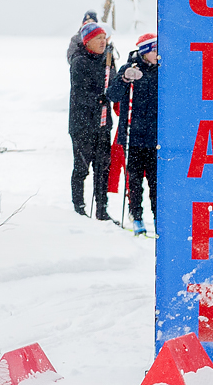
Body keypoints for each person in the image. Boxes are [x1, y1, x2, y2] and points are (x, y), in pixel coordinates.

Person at [106, 33, 159, 235]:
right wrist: (124, 79)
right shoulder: (131, 69)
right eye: (154, 50)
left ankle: (158, 217)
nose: (158, 54)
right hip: (133, 136)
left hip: (155, 138)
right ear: (145, 52)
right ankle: (136, 215)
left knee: (156, 182)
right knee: (134, 181)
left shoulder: (162, 71)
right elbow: (112, 95)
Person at [68, 21, 115, 220]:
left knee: (103, 168)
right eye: (98, 38)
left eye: (104, 38)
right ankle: (79, 208)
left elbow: (112, 84)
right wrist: (99, 98)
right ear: (87, 41)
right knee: (81, 168)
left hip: (103, 124)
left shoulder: (108, 59)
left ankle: (102, 210)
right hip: (82, 124)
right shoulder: (79, 61)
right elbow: (80, 93)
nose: (103, 42)